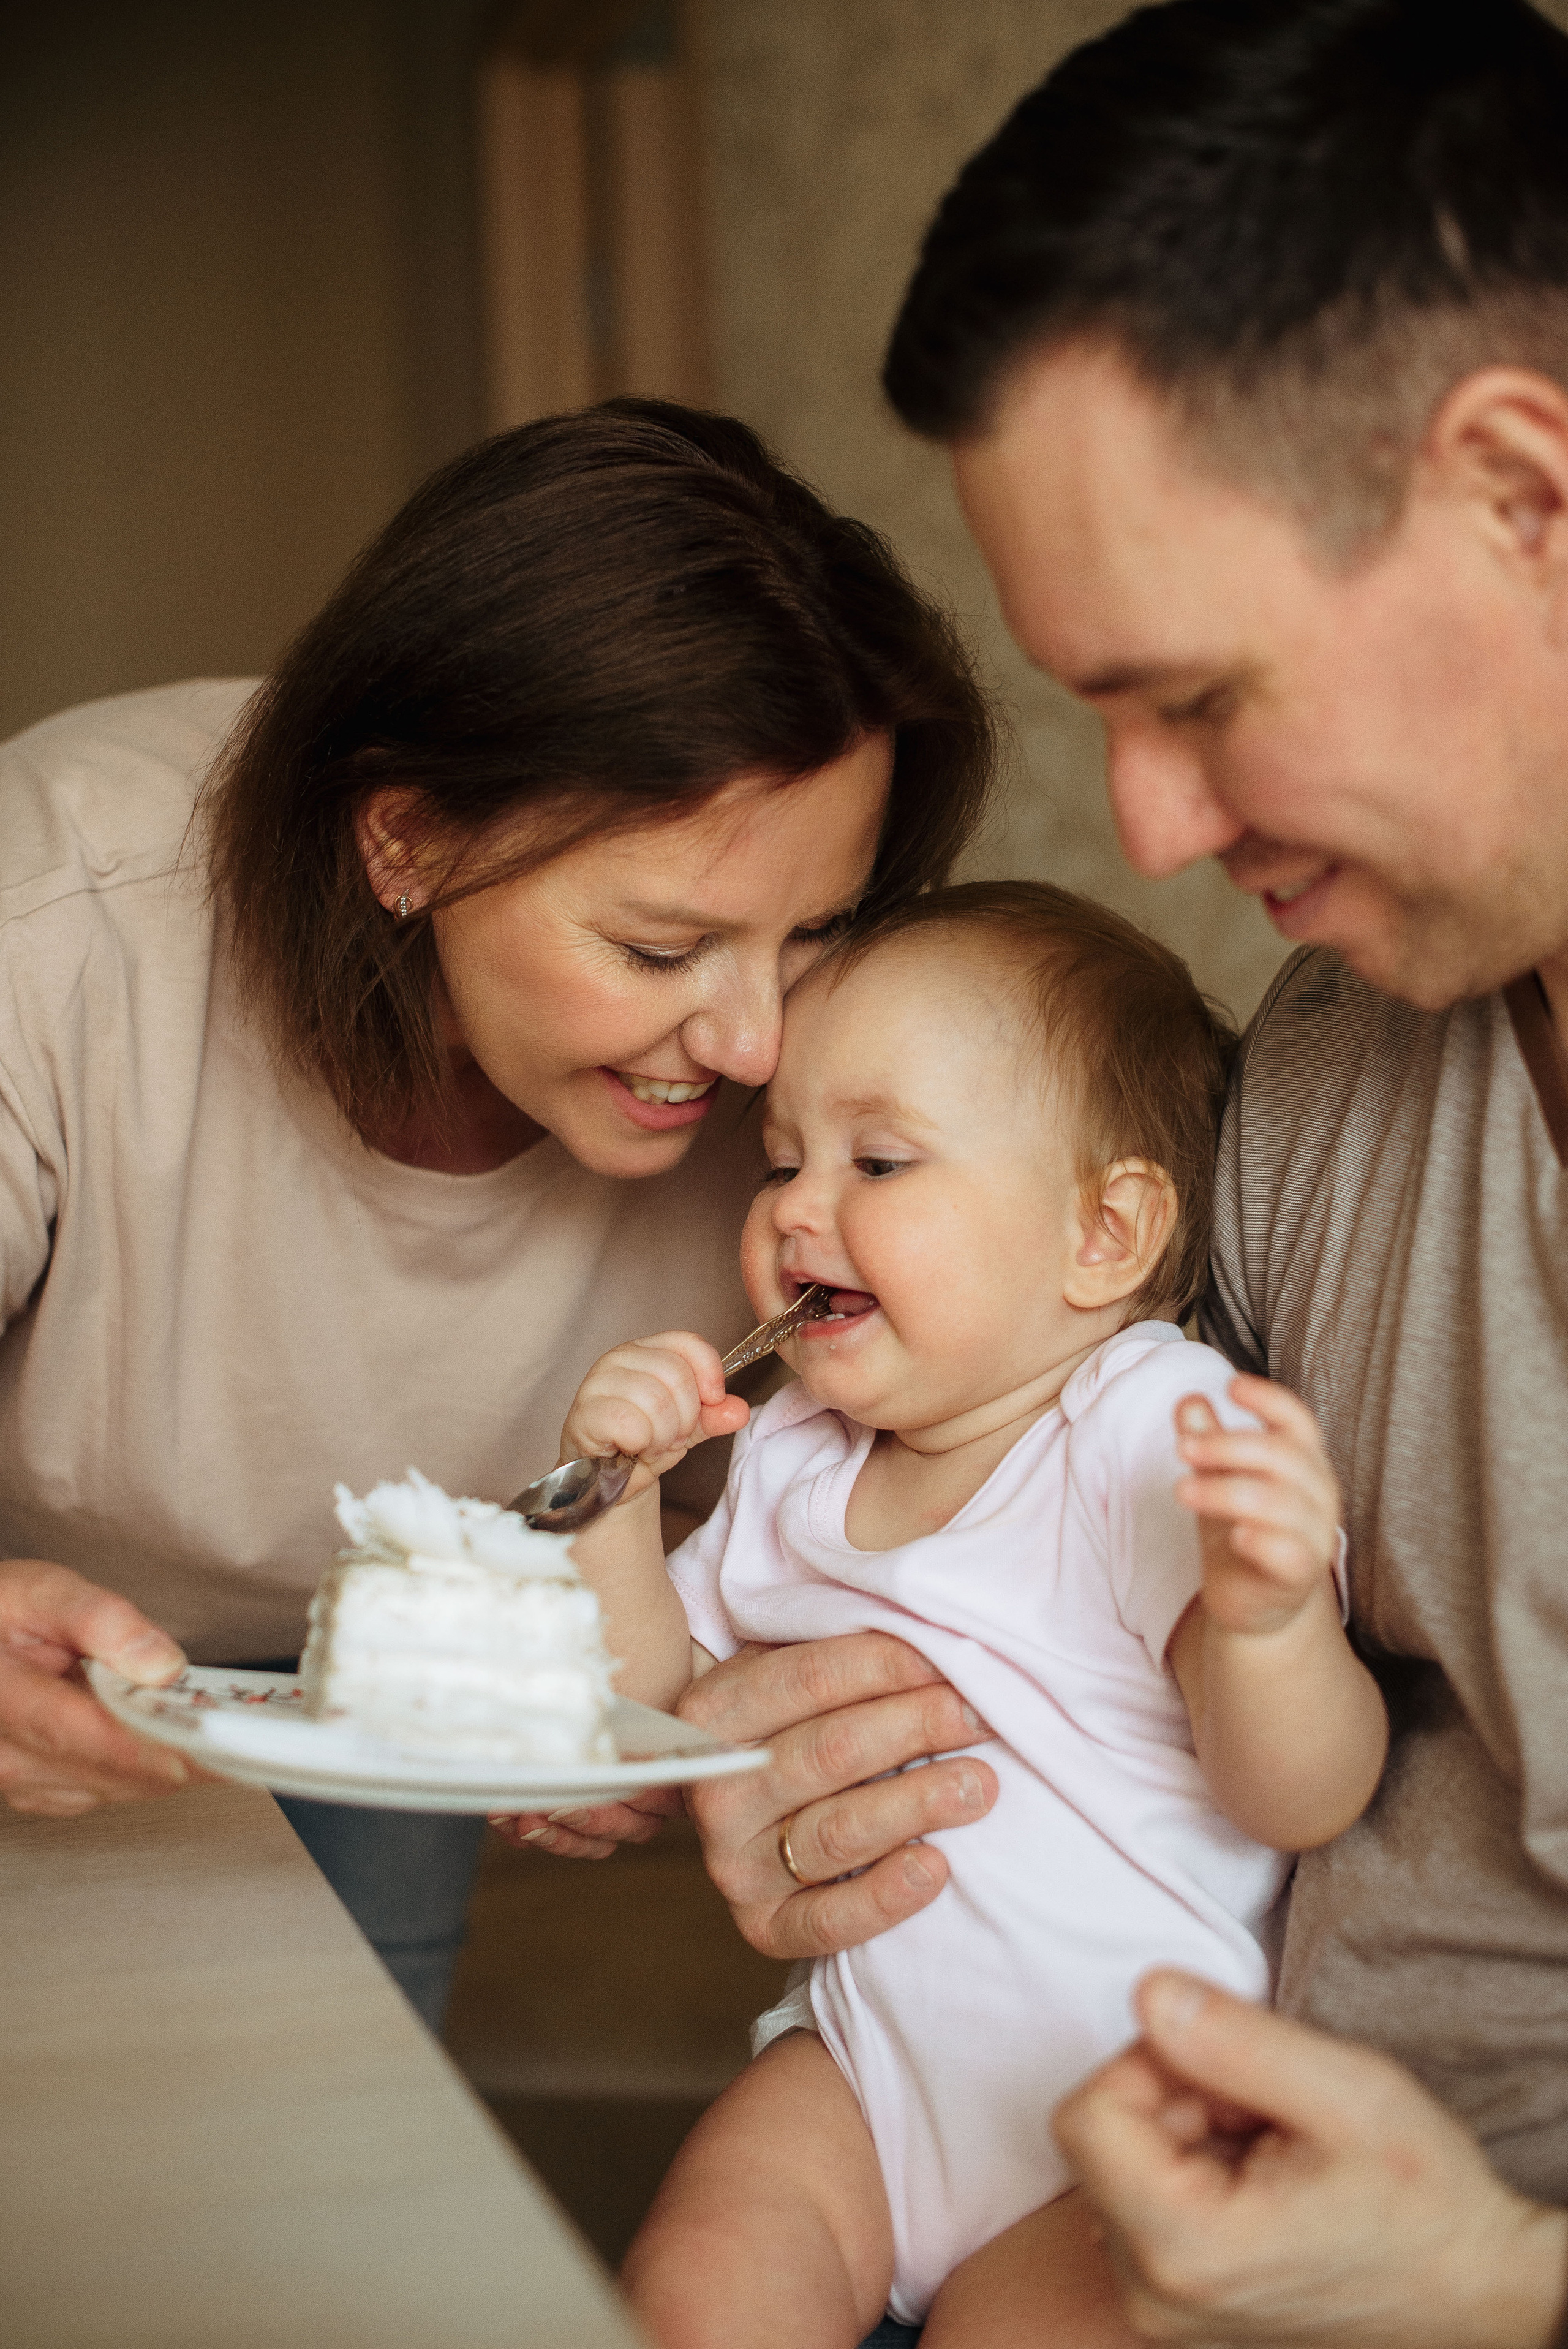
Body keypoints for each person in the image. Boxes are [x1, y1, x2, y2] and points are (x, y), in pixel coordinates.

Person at [514, 3, 1568, 2340]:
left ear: (1529, 490)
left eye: (1198, 695)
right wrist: (752, 1765)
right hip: (1062, 2142)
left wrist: (1502, 2283)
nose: (1160, 826)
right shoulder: (1328, 1084)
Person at [0, 397, 995, 2028]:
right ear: (406, 838)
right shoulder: (57, 922)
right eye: (664, 950)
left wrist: (661, 1682)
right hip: (51, 1626)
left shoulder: (840, 1080)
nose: (754, 1046)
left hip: (400, 1690)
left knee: (344, 2126)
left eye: (811, 932)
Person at [543, 882, 1385, 2348]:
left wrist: (1264, 1628)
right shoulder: (796, 1457)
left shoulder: (1140, 1432)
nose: (799, 1207)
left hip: (1123, 2115)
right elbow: (639, 1714)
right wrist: (613, 1506)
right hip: (862, 2081)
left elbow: (1303, 1794)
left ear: (1104, 1237)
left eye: (877, 1160)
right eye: (782, 1160)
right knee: (691, 2288)